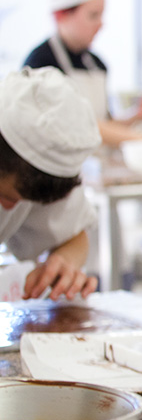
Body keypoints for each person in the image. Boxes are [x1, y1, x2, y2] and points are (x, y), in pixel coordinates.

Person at [23, 0, 142, 148]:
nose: (101, 24)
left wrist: (136, 115)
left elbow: (103, 123)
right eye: (93, 15)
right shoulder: (40, 64)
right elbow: (77, 126)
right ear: (61, 15)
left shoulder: (97, 64)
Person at [0, 67, 102, 300]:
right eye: (5, 196)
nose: (8, 209)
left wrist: (62, 262)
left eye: (21, 202)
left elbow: (73, 236)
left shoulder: (41, 164)